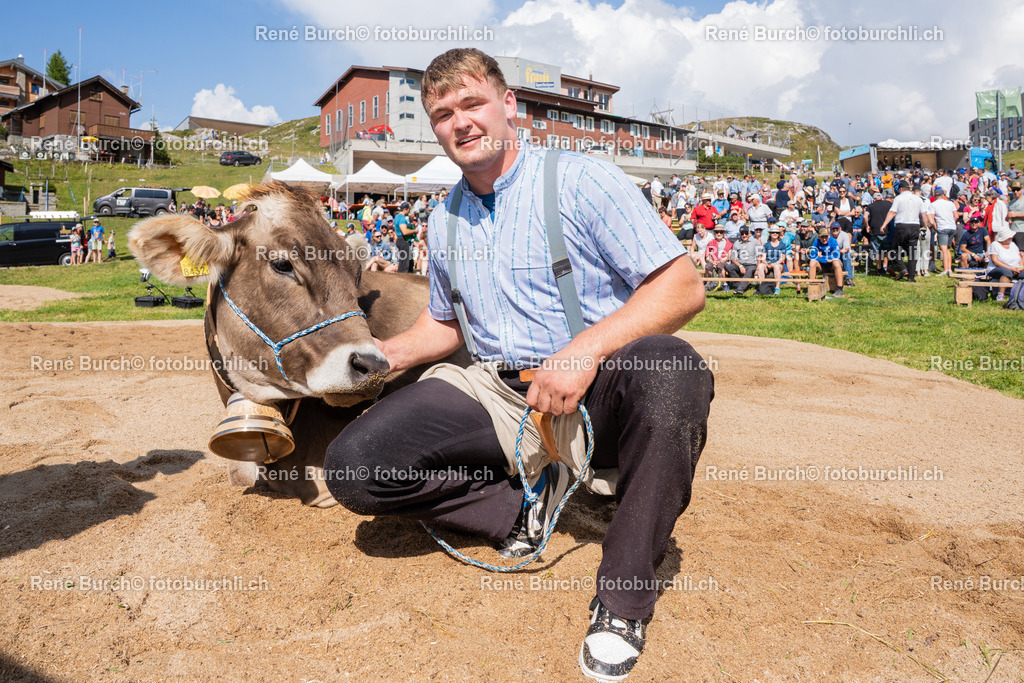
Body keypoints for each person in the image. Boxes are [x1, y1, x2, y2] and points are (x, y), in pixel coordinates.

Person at [322, 48, 713, 682]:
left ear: (508, 105)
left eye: (472, 103)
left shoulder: (582, 181)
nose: (460, 122)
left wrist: (583, 352)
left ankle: (622, 600)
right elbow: (444, 325)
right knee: (355, 468)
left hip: (600, 383)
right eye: (442, 114)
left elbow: (682, 288)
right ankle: (517, 505)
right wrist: (381, 358)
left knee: (673, 369)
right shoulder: (444, 217)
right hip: (499, 390)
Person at [879, 180, 925, 281]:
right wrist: (925, 226)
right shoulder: (918, 199)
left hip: (902, 226)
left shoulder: (898, 198)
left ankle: (903, 268)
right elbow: (923, 214)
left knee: (893, 249)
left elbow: (892, 212)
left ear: (900, 189)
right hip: (915, 226)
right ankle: (911, 277)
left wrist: (884, 225)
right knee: (912, 252)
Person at [986, 227, 1024, 301]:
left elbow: (1019, 257)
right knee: (1007, 272)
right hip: (996, 268)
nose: (1012, 237)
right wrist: (1011, 268)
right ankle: (1000, 295)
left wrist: (1021, 267)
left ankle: (1021, 295)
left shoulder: (1013, 244)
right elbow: (995, 261)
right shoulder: (995, 245)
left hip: (1015, 268)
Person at [807, 227, 845, 297]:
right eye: (822, 237)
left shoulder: (833, 241)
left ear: (829, 236)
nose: (824, 239)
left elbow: (836, 256)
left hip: (832, 265)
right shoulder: (816, 242)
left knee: (836, 262)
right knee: (812, 262)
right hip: (821, 266)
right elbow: (812, 256)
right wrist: (826, 260)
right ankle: (812, 288)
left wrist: (821, 256)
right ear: (819, 237)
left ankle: (839, 289)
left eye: (826, 237)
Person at [930, 187, 960, 276]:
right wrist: (951, 222)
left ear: (935, 196)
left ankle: (946, 269)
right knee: (947, 249)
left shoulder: (933, 205)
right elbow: (956, 216)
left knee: (943, 249)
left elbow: (931, 219)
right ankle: (949, 268)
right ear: (943, 195)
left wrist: (935, 227)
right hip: (952, 227)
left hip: (942, 227)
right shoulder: (950, 203)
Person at [724, 226, 759, 294]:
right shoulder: (737, 243)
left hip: (751, 264)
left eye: (746, 233)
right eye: (742, 233)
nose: (744, 235)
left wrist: (758, 268)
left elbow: (759, 255)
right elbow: (733, 258)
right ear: (740, 234)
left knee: (750, 270)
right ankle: (739, 285)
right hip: (740, 263)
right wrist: (740, 266)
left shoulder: (755, 241)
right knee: (729, 267)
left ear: (749, 234)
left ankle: (740, 289)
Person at [757, 226, 787, 294]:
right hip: (768, 263)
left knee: (776, 267)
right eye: (773, 232)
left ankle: (777, 287)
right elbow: (763, 257)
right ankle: (762, 285)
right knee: (760, 266)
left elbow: (782, 258)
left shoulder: (782, 245)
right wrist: (766, 263)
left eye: (776, 232)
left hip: (778, 264)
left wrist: (775, 263)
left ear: (779, 234)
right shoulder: (766, 245)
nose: (775, 234)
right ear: (770, 234)